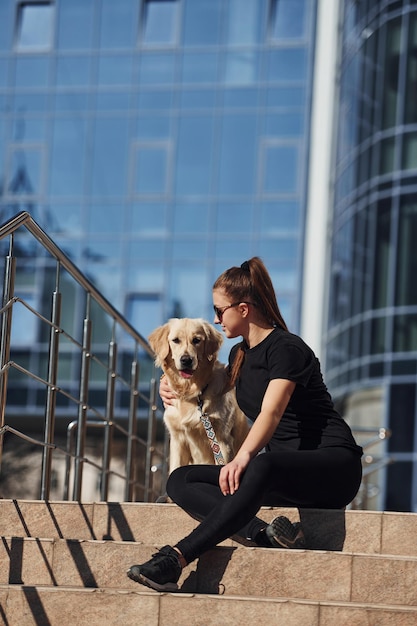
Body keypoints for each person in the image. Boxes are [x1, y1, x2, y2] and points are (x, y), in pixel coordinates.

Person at [127, 257, 363, 592]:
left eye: (219, 310)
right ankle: (264, 534)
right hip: (283, 473)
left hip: (332, 467)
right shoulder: (240, 355)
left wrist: (242, 458)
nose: (214, 318)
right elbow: (203, 382)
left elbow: (272, 412)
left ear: (243, 308)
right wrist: (169, 385)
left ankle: (175, 559)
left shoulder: (287, 348)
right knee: (181, 479)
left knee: (261, 462)